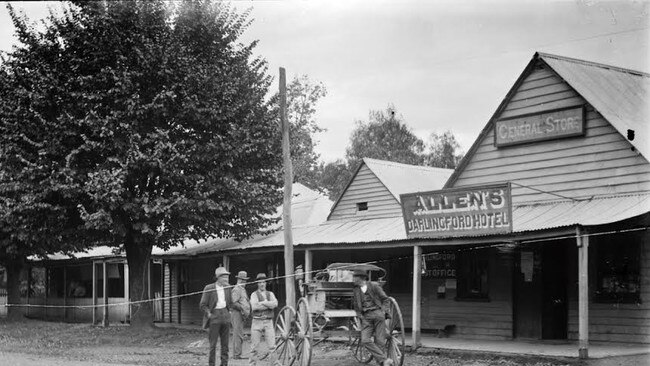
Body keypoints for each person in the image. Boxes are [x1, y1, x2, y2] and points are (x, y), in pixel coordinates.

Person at [352, 269, 393, 366]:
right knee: (365, 340)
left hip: (378, 314)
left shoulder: (374, 286)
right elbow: (356, 306)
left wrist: (384, 311)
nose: (353, 279)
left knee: (380, 341)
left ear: (360, 278)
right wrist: (360, 315)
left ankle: (382, 363)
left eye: (354, 277)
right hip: (366, 317)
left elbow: (385, 299)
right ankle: (384, 360)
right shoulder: (356, 290)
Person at [199, 267, 232, 366]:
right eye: (224, 277)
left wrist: (229, 312)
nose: (226, 279)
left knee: (225, 345)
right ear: (218, 277)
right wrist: (209, 314)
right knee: (213, 344)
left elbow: (230, 302)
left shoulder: (228, 288)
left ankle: (224, 364)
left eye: (227, 277)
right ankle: (212, 364)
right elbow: (202, 305)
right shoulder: (209, 288)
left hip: (225, 316)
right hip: (215, 317)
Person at [249, 273, 279, 366]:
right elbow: (254, 307)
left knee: (272, 347)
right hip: (256, 321)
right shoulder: (254, 294)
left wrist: (263, 303)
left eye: (263, 282)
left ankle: (274, 364)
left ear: (266, 283)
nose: (262, 284)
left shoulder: (270, 294)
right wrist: (268, 304)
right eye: (260, 282)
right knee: (254, 347)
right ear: (257, 283)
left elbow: (275, 304)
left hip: (268, 322)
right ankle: (252, 364)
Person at [231, 270, 251, 360]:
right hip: (237, 314)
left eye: (245, 280)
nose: (244, 282)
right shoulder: (236, 289)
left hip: (241, 314)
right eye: (242, 280)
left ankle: (238, 353)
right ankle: (237, 354)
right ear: (239, 280)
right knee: (238, 334)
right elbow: (233, 303)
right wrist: (242, 309)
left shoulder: (242, 289)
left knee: (240, 334)